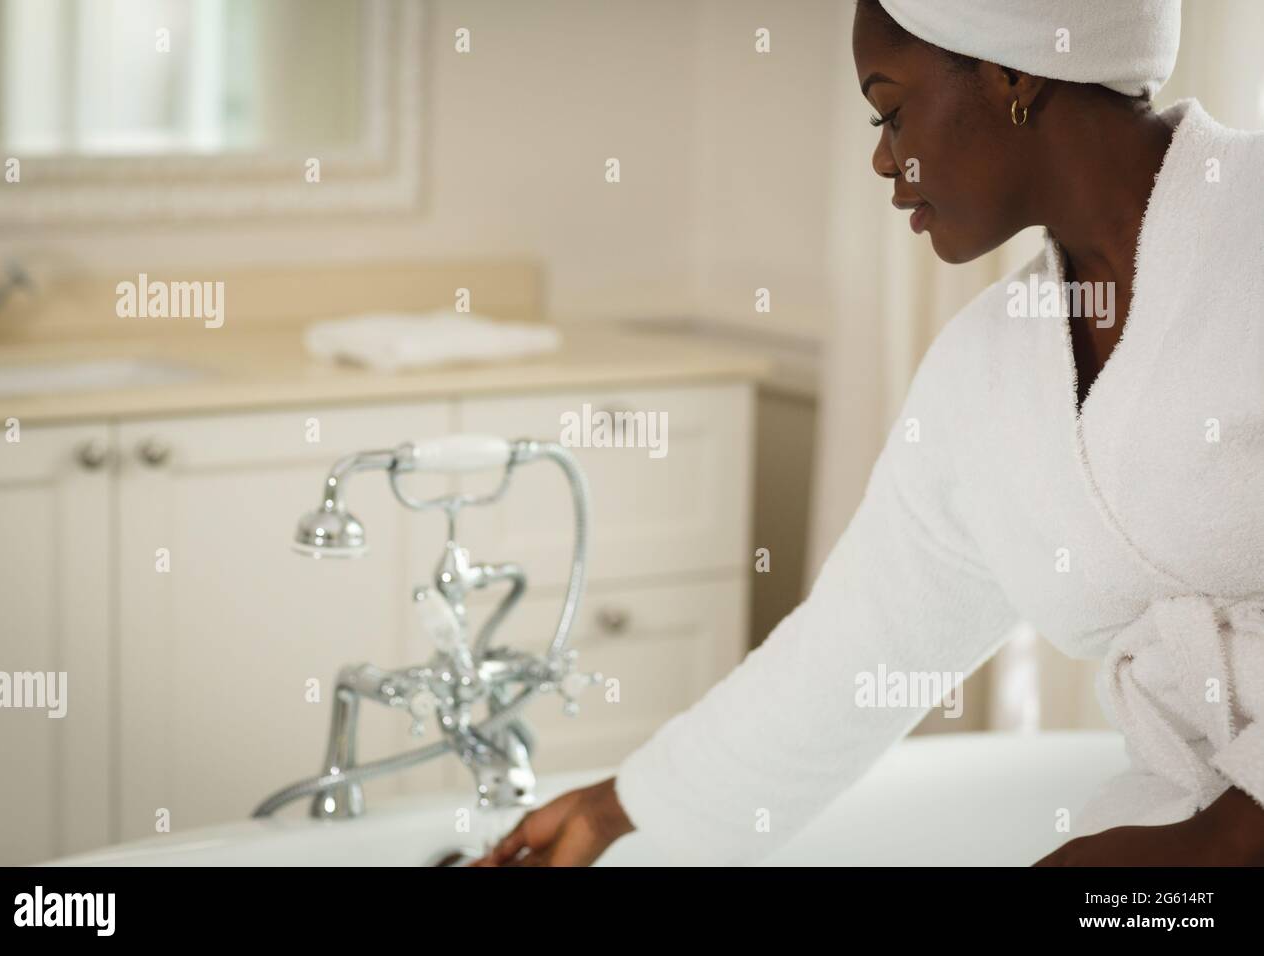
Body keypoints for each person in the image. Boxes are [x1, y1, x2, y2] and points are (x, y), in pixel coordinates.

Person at [475, 0, 1264, 867]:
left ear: (1014, 72)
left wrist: (1230, 836)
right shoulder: (990, 373)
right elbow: (856, 646)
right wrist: (619, 807)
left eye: (892, 110)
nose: (884, 159)